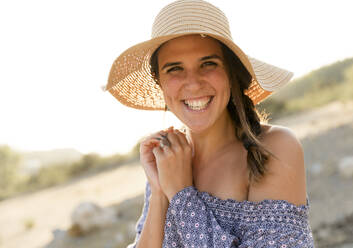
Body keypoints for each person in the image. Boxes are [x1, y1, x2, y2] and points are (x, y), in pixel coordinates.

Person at [105, 0, 314, 247]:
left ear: (231, 72)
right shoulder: (169, 158)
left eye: (208, 64)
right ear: (160, 82)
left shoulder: (273, 148)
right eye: (174, 69)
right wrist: (160, 191)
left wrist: (182, 195)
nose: (193, 83)